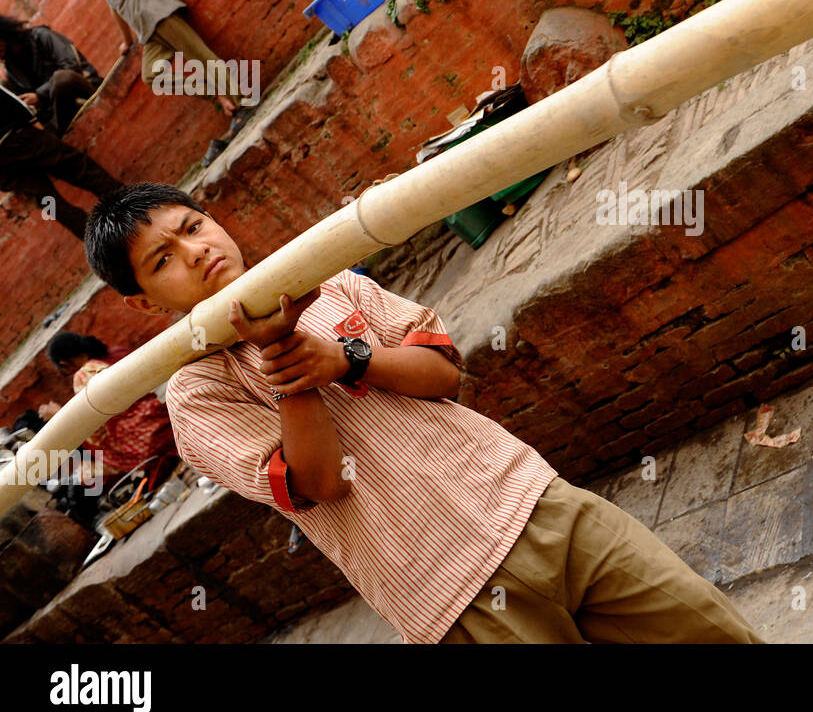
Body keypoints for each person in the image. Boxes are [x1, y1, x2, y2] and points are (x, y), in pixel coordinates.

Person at [83, 183, 765, 644]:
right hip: (450, 592)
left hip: (534, 504)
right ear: (143, 301)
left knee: (710, 630)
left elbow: (443, 370)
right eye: (164, 259)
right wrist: (288, 363)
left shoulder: (330, 282)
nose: (197, 250)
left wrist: (346, 359)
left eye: (193, 227)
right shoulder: (195, 393)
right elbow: (319, 482)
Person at [53, 0, 250, 165]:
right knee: (152, 76)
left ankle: (242, 103)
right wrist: (126, 42)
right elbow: (115, 9)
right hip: (147, 33)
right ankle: (217, 94)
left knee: (202, 57)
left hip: (161, 15)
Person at [44, 331, 178, 488]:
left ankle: (152, 459)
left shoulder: (83, 375)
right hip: (169, 405)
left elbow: (89, 425)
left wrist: (58, 416)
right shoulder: (116, 351)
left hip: (152, 427)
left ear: (64, 365)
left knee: (89, 443)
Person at [0, 74, 125, 239]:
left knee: (49, 202)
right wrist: (34, 123)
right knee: (81, 169)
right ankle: (131, 208)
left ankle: (99, 241)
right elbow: (9, 100)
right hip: (17, 138)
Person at [0, 15, 101, 136]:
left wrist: (39, 95)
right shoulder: (11, 71)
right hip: (56, 111)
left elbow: (71, 65)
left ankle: (56, 133)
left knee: (62, 79)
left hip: (83, 88)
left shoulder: (41, 36)